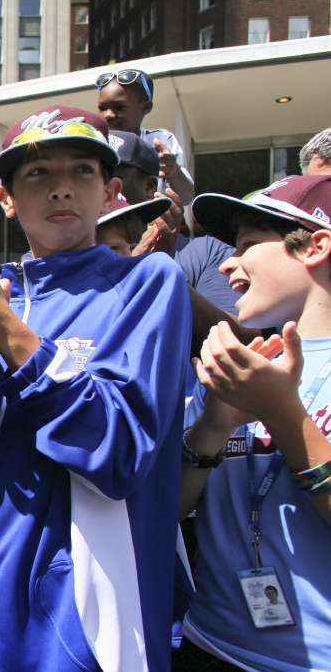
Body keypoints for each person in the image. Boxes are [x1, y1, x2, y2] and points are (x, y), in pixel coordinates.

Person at [0, 106, 191, 670]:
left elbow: (120, 452)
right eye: (38, 174)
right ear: (5, 198)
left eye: (81, 172)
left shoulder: (147, 282)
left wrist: (9, 336)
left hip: (79, 634)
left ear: (111, 192)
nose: (61, 189)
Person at [177, 175, 331, 669]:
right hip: (210, 643)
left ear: (315, 247)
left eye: (247, 245)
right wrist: (215, 427)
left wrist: (283, 414)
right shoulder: (240, 364)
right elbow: (172, 511)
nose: (228, 264)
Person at [95, 68, 194, 204]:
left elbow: (186, 198)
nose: (108, 115)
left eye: (119, 107)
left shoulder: (161, 141)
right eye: (102, 108)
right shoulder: (93, 141)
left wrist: (173, 171)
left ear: (146, 107)